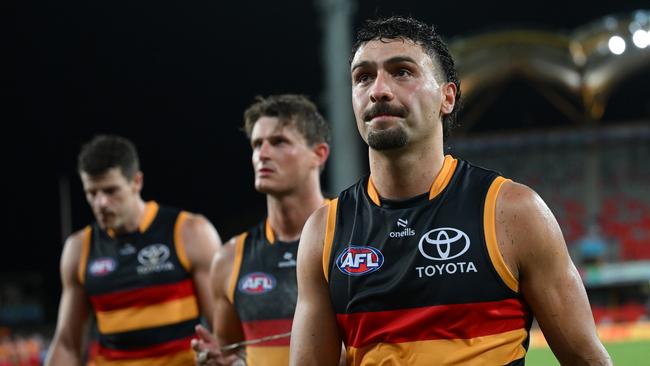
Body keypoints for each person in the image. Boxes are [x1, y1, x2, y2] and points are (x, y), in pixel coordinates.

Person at [290, 16, 612, 365]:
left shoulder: (513, 212)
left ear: (448, 97)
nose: (378, 90)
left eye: (402, 72)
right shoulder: (324, 231)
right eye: (363, 77)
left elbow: (587, 359)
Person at [46, 135, 222, 366]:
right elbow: (67, 344)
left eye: (110, 191)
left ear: (136, 182)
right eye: (92, 193)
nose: (101, 203)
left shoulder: (189, 232)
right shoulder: (79, 248)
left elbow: (223, 331)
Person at [191, 95, 331, 365]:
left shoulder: (354, 235)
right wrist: (223, 361)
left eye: (279, 142)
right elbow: (233, 353)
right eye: (257, 144)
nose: (262, 154)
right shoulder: (230, 258)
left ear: (318, 154)